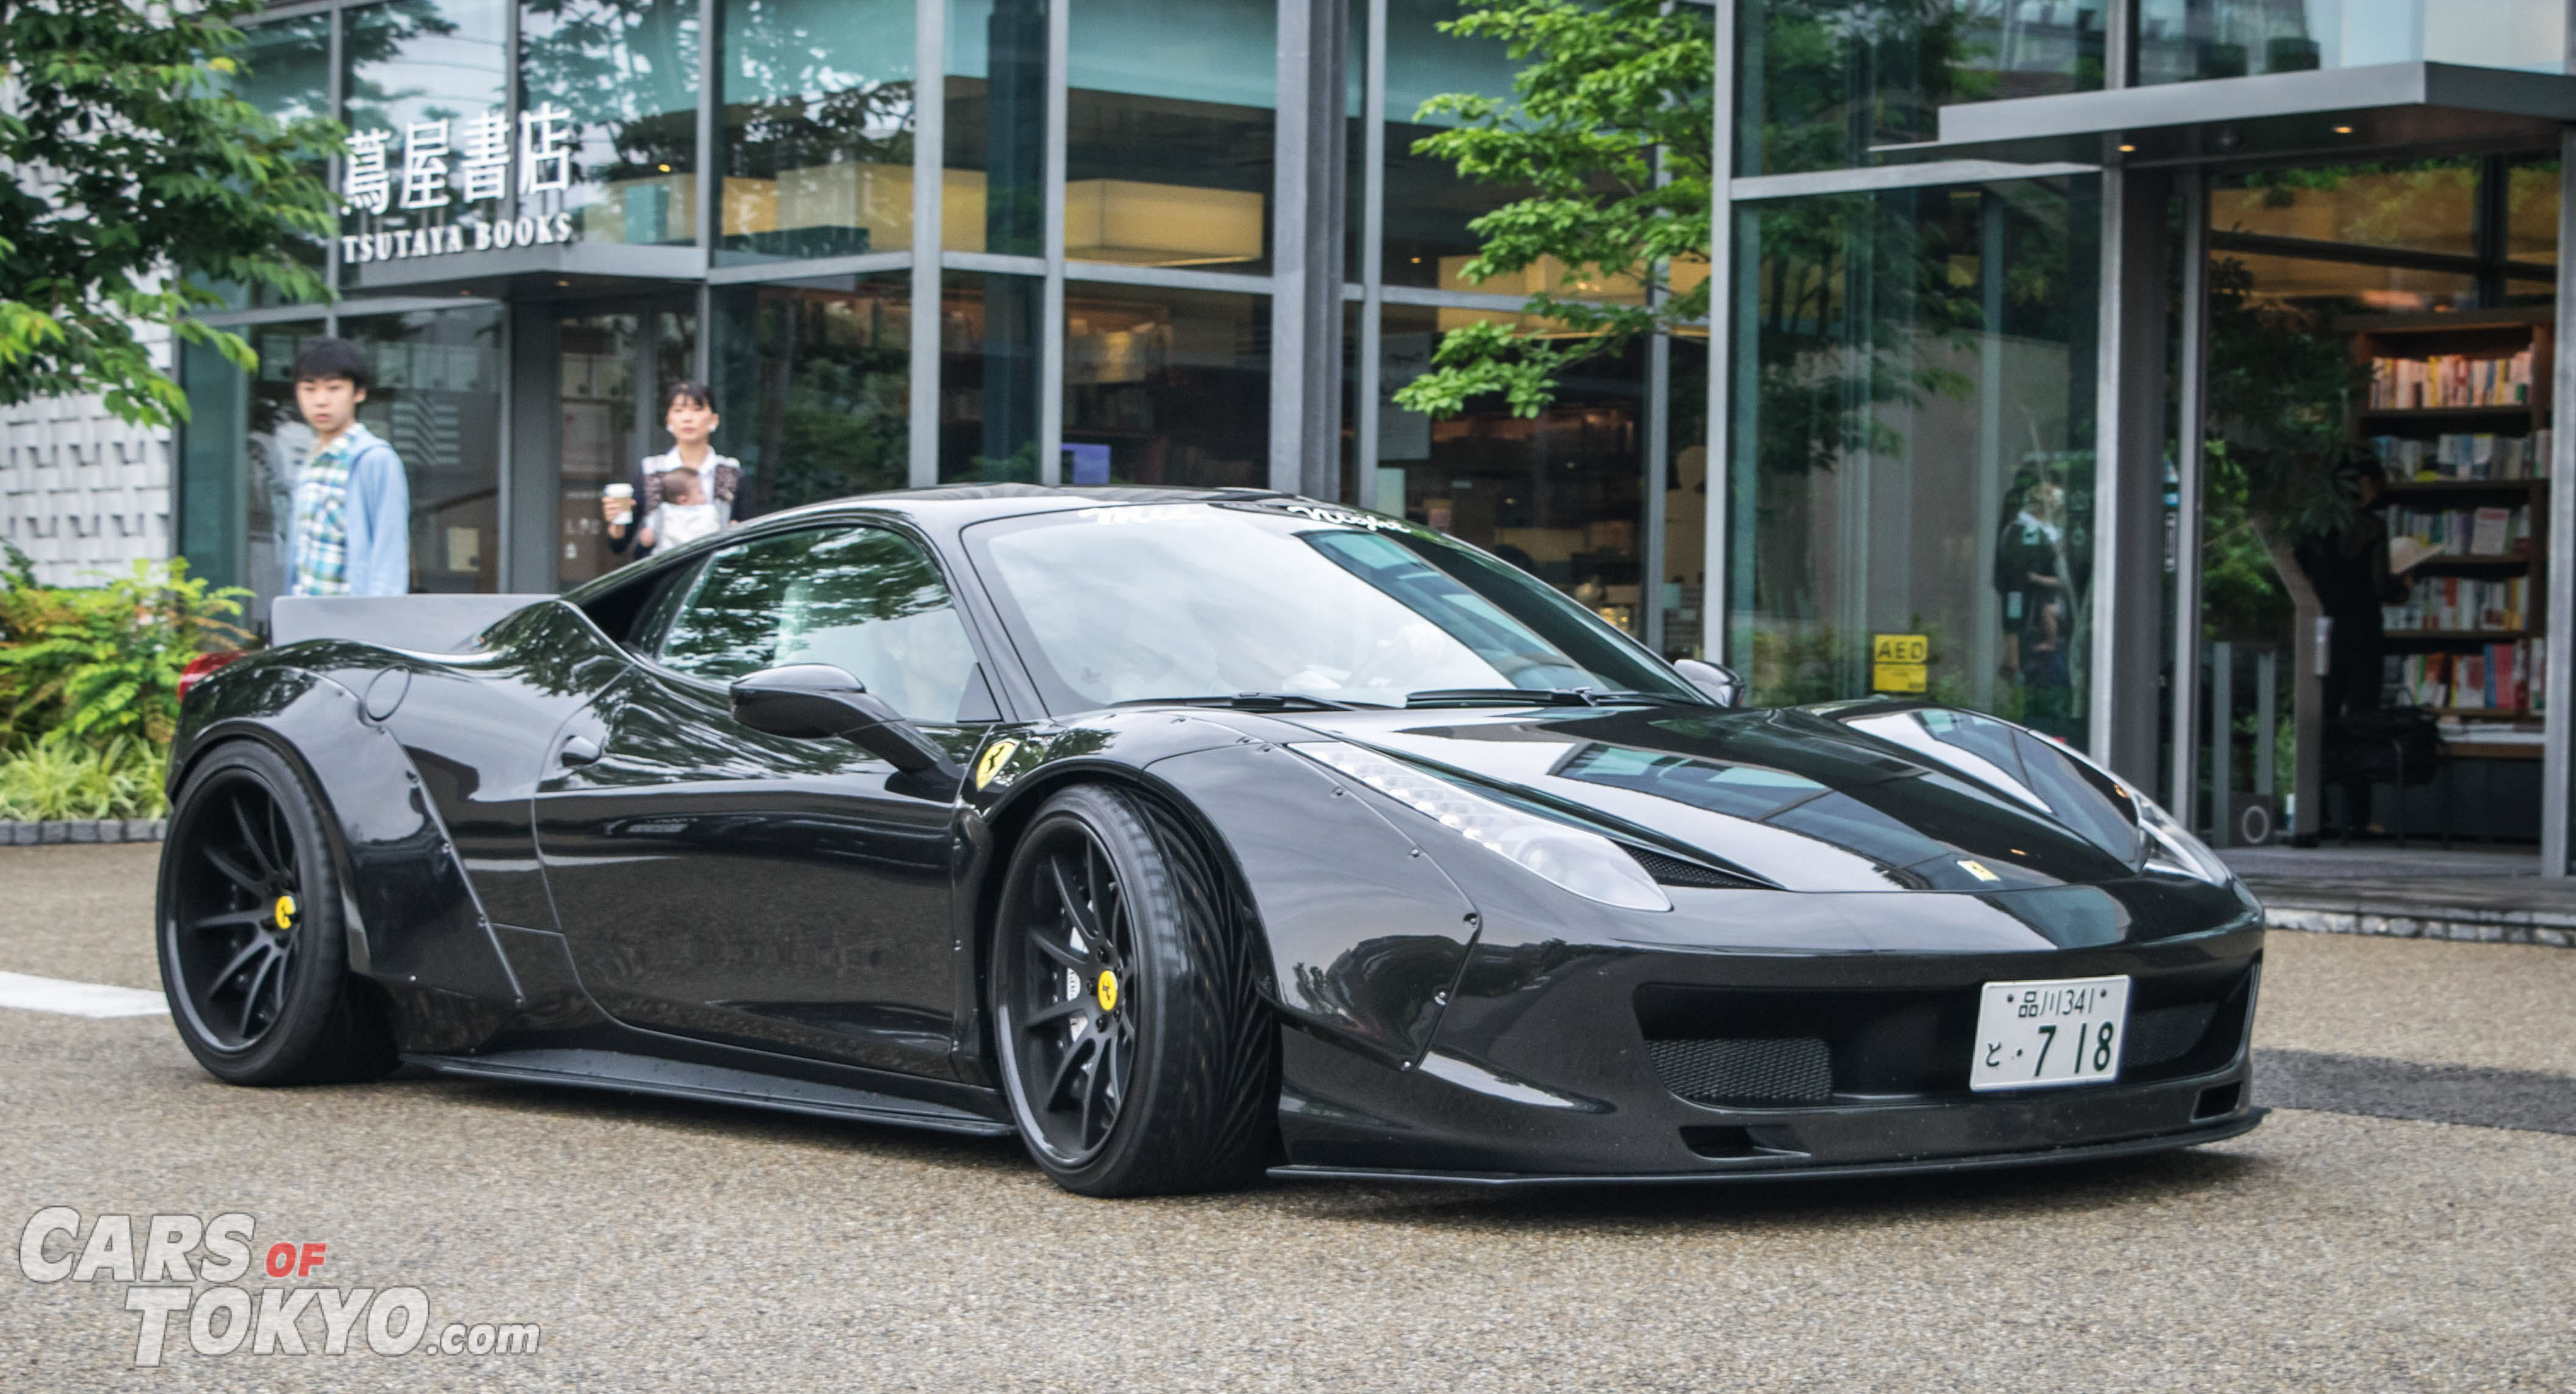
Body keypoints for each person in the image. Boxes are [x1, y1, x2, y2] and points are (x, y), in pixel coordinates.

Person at [284, 338, 411, 596]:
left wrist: (374, 627)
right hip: (305, 618)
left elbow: (390, 556)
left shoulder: (376, 460)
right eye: (309, 389)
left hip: (351, 623)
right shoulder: (310, 461)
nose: (321, 400)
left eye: (334, 388)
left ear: (359, 393)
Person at [605, 381, 742, 559]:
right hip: (661, 579)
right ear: (669, 420)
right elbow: (619, 546)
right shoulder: (650, 471)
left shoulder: (732, 471)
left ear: (714, 419)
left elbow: (749, 539)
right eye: (678, 410)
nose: (687, 418)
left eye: (697, 409)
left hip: (715, 578)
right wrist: (617, 522)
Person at [639, 464, 723, 550]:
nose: (705, 496)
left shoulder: (663, 512)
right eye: (700, 492)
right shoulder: (709, 512)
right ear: (683, 500)